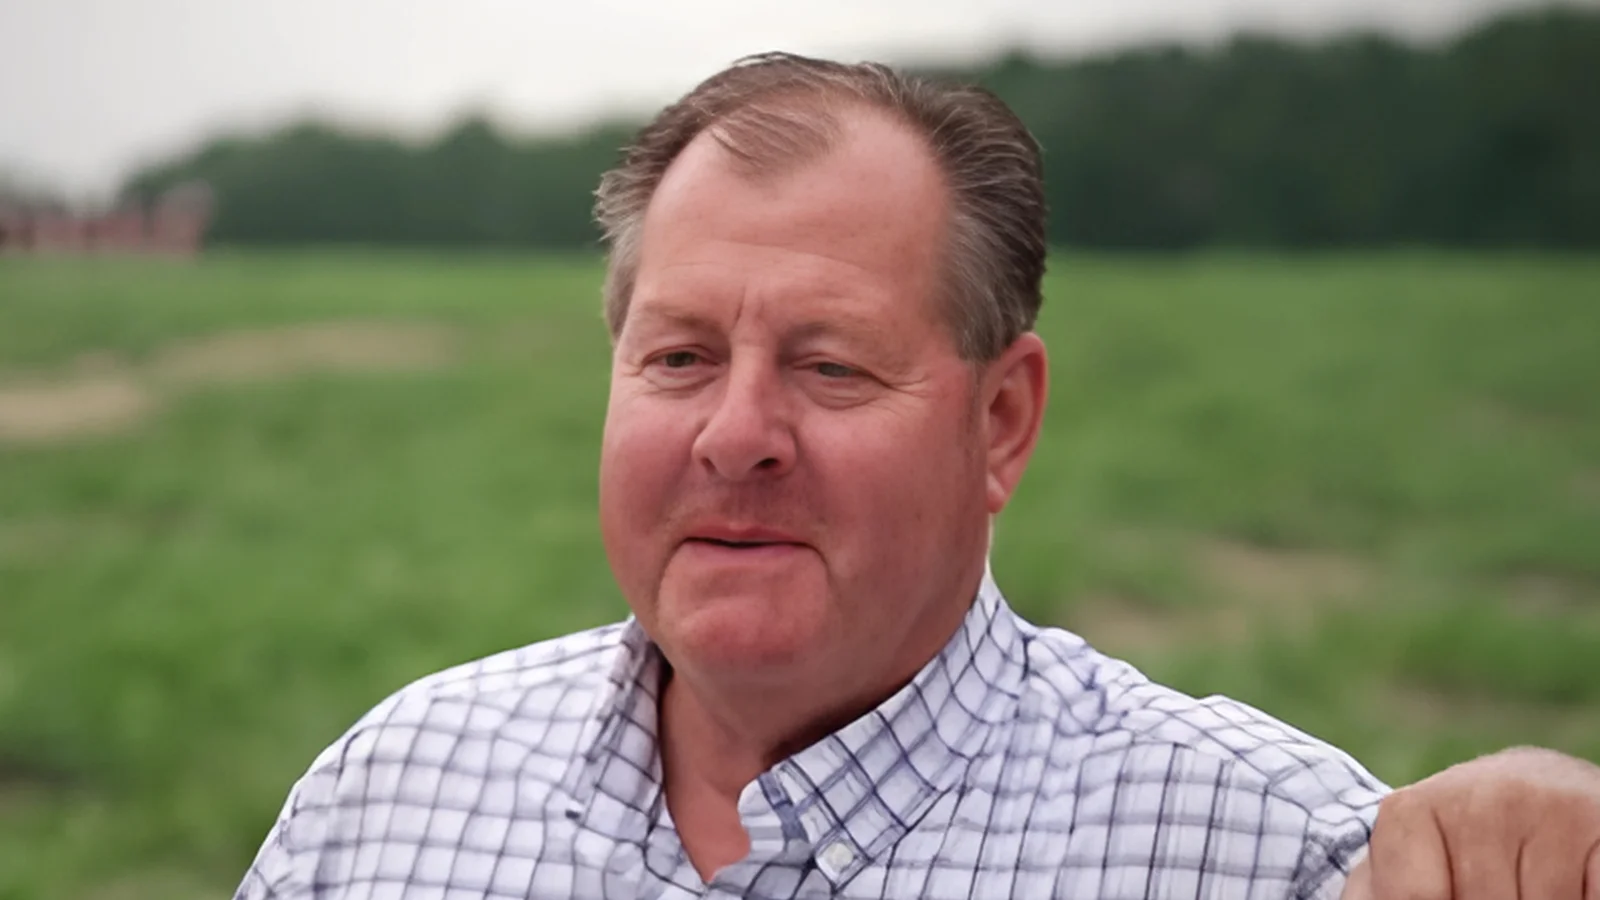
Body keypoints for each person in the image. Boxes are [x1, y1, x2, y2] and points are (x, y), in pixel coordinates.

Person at [235, 53, 1600, 900]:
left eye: (830, 367)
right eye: (679, 358)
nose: (736, 434)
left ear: (1001, 423)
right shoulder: (389, 792)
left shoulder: (1276, 858)